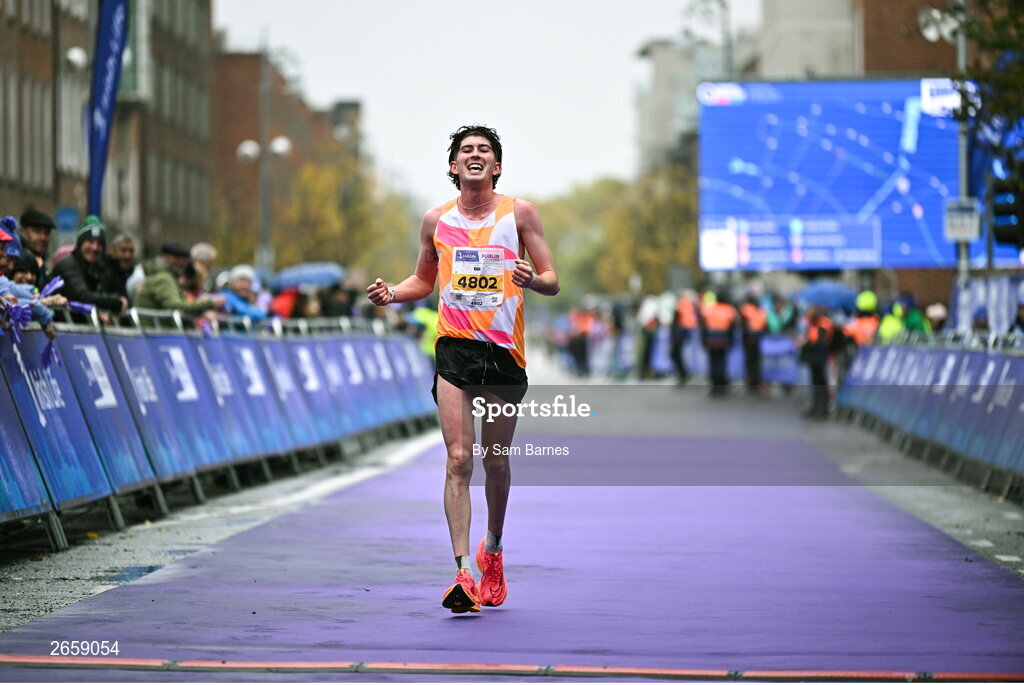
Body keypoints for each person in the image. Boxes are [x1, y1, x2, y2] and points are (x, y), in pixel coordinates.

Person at [366, 124, 559, 614]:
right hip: (455, 349)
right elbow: (423, 280)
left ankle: (491, 549)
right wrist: (393, 294)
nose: (475, 156)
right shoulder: (436, 220)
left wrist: (530, 279)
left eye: (484, 151)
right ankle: (462, 574)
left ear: (496, 166)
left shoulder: (520, 213)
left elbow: (553, 279)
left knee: (495, 460)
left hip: (502, 354)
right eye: (466, 151)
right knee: (458, 458)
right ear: (453, 166)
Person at [50, 216, 128, 320]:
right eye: (90, 242)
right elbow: (82, 296)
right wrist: (116, 301)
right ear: (81, 244)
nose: (95, 248)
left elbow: (105, 292)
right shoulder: (68, 265)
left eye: (99, 244)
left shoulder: (97, 268)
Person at [135, 241, 225, 316]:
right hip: (156, 332)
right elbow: (174, 305)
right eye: (177, 258)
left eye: (184, 259)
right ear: (164, 256)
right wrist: (209, 303)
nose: (182, 262)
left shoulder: (167, 276)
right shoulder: (163, 278)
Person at [700, 291, 737, 397]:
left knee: (713, 363)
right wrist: (731, 341)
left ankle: (714, 386)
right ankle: (722, 386)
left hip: (711, 339)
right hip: (723, 339)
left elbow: (704, 326)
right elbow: (732, 327)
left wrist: (704, 340)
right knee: (722, 362)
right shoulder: (729, 309)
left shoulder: (709, 309)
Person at [801, 304, 834, 419]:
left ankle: (822, 409)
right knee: (815, 382)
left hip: (820, 357)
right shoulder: (812, 323)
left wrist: (806, 344)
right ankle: (816, 407)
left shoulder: (823, 323)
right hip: (813, 357)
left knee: (821, 383)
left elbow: (821, 341)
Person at [18, 208, 56, 288]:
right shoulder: (13, 262)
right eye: (37, 231)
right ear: (22, 231)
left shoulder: (43, 265)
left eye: (47, 233)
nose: (43, 238)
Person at [739, 295, 767, 394]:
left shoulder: (746, 309)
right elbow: (765, 324)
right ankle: (756, 384)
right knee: (756, 362)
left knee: (750, 363)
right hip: (758, 339)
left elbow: (743, 323)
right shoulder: (761, 310)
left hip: (749, 339)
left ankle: (751, 385)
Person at [670, 290, 697, 386]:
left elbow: (676, 319)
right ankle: (683, 374)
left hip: (679, 332)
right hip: (683, 332)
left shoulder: (681, 305)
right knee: (678, 354)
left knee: (676, 354)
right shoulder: (689, 305)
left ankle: (683, 375)